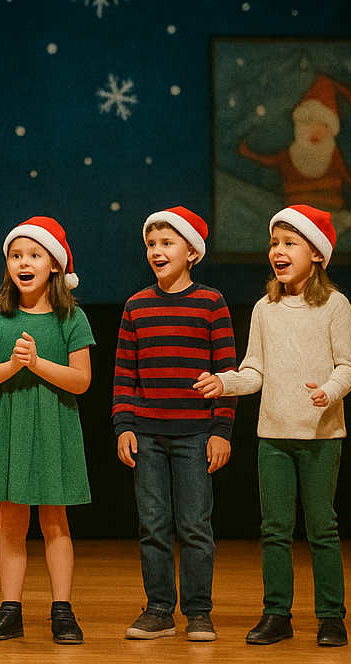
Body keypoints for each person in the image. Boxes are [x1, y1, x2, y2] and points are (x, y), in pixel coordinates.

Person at [196, 204, 351, 647]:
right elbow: (254, 371)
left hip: (321, 436)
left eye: (290, 243)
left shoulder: (335, 305)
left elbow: (350, 365)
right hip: (273, 437)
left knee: (322, 527)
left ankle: (330, 616)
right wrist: (224, 382)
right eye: (275, 243)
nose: (279, 252)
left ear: (318, 254)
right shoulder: (265, 308)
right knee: (274, 529)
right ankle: (276, 613)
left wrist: (329, 389)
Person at [113, 206, 237, 642]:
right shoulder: (136, 306)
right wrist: (124, 425)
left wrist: (220, 431)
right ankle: (159, 608)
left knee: (195, 527)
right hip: (147, 434)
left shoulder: (211, 303)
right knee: (153, 525)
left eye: (167, 243)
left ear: (192, 252)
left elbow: (227, 375)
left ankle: (199, 612)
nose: (157, 251)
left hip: (195, 435)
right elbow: (124, 374)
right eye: (152, 244)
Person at [0, 216, 94, 645]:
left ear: (54, 265)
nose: (24, 263)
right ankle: (11, 609)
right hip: (10, 424)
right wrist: (14, 364)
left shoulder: (71, 318)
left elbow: (81, 381)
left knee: (55, 522)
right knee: (10, 521)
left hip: (54, 424)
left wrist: (38, 363)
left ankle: (62, 609)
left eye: (34, 255)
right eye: (16, 256)